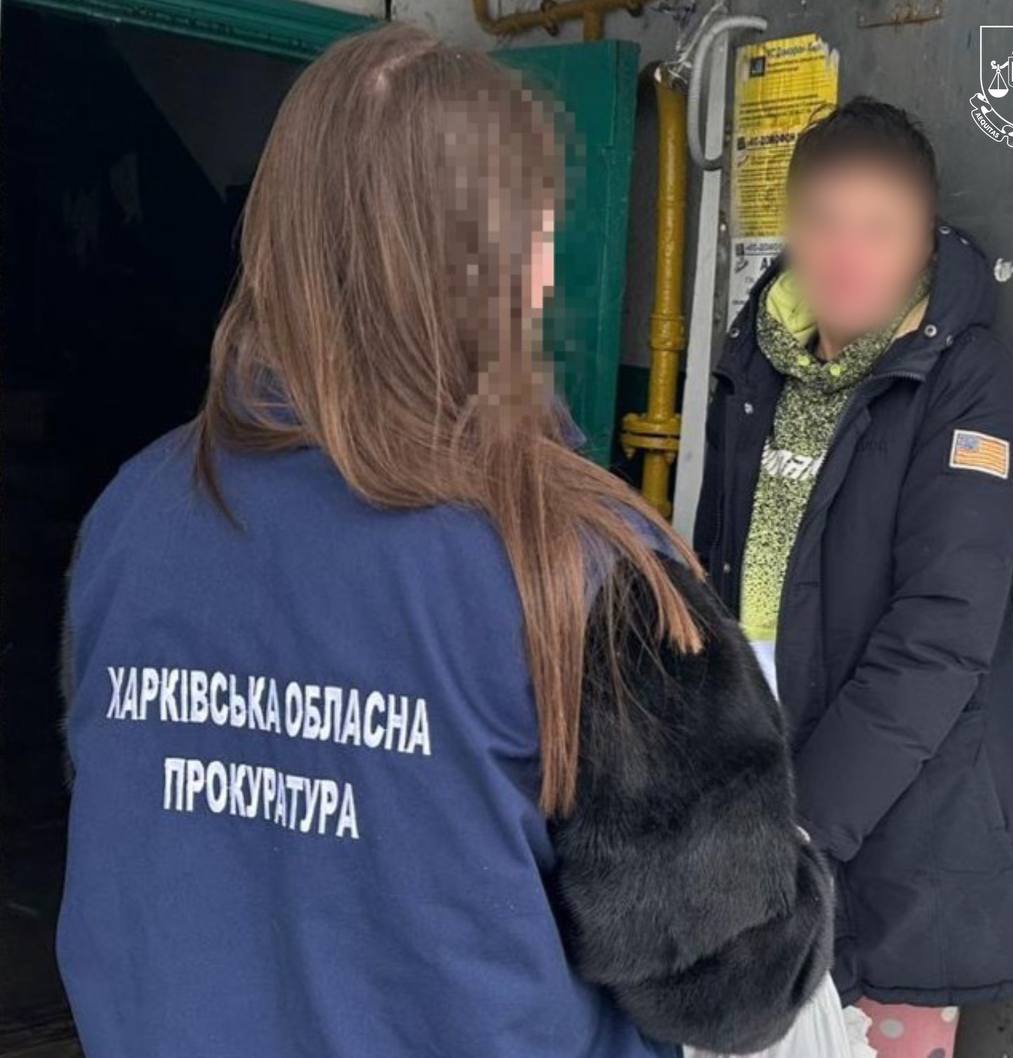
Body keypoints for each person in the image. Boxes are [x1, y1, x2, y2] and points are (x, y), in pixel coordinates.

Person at [55, 24, 834, 1058]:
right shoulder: (587, 563)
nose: (547, 271)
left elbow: (131, 822)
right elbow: (729, 987)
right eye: (537, 232)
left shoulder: (129, 518)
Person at [693, 97, 1013, 1057]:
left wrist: (802, 830)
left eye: (879, 228)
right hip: (759, 789)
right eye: (823, 222)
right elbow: (713, 569)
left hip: (896, 831)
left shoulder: (962, 375)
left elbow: (942, 630)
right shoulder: (759, 354)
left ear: (924, 239)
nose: (847, 255)